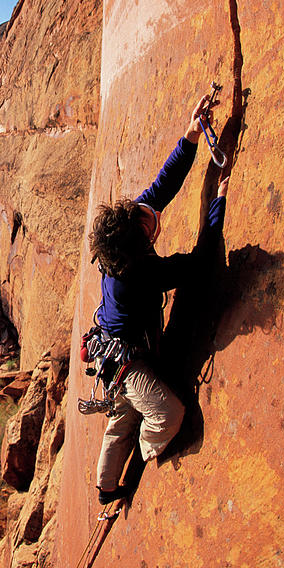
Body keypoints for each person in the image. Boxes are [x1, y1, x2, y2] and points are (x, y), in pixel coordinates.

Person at [88, 95, 229, 505]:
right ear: (140, 245)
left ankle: (105, 486)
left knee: (120, 418)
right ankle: (143, 457)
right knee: (164, 413)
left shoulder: (120, 244)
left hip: (111, 354)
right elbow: (200, 262)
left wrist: (190, 134)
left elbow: (161, 187)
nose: (154, 219)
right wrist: (218, 200)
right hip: (131, 363)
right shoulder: (142, 273)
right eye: (150, 226)